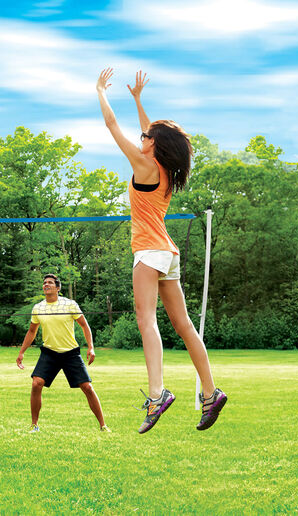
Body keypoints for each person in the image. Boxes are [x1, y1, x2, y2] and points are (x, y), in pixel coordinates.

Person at [96, 68, 227, 433]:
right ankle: (211, 393)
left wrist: (99, 91)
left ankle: (157, 396)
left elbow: (111, 126)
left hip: (150, 251)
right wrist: (138, 100)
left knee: (146, 320)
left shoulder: (144, 164)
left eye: (146, 137)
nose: (141, 137)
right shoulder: (166, 169)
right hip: (167, 254)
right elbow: (154, 132)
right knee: (184, 326)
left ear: (153, 144)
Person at [16, 274, 109, 433]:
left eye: (50, 283)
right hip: (49, 353)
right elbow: (32, 331)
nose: (46, 285)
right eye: (44, 283)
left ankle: (103, 426)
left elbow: (85, 326)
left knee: (87, 387)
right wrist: (21, 352)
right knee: (36, 383)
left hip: (70, 353)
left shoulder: (70, 304)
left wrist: (91, 347)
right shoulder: (38, 308)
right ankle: (34, 425)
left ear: (58, 288)